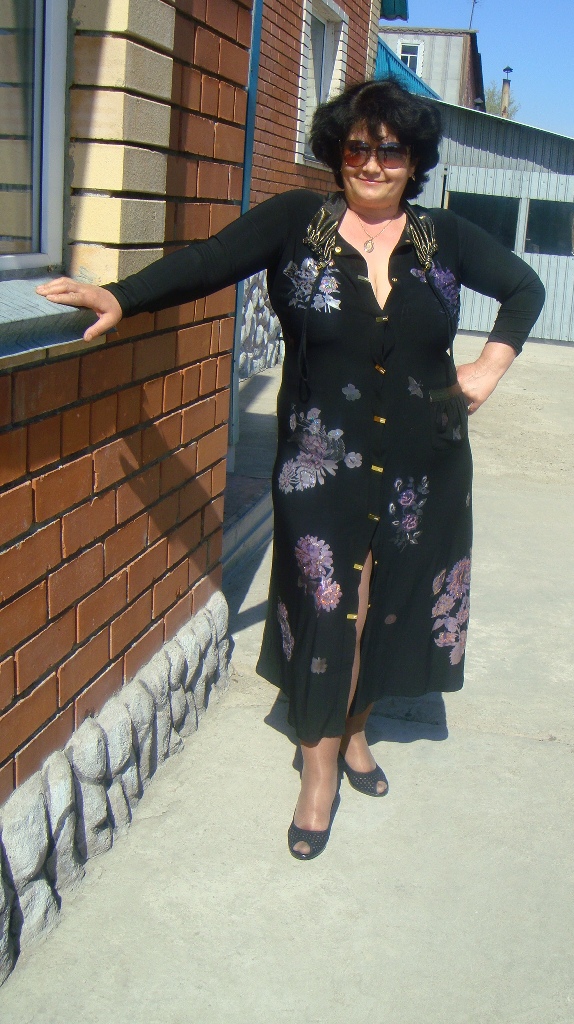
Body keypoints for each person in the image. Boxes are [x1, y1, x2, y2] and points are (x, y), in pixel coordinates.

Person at [37, 80, 545, 860]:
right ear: (337, 153)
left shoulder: (443, 236)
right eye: (357, 147)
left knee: (387, 607)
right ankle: (318, 770)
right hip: (319, 461)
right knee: (325, 609)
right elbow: (210, 261)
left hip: (425, 463)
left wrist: (488, 366)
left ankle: (355, 729)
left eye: (391, 150)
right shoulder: (298, 223)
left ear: (415, 161)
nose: (372, 163)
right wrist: (119, 296)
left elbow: (524, 287)